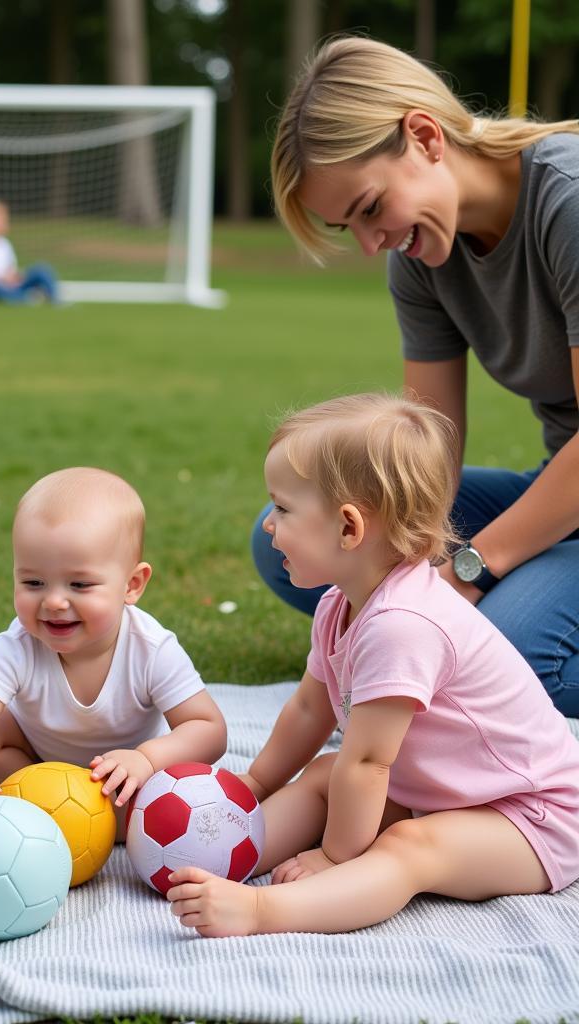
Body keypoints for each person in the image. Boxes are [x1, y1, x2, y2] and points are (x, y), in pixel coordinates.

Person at [167, 393, 579, 937]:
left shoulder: (402, 625)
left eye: (283, 508)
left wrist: (337, 859)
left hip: (530, 815)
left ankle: (262, 911)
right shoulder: (342, 601)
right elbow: (310, 707)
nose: (269, 525)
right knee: (323, 777)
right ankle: (214, 849)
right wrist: (255, 783)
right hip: (443, 794)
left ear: (349, 529)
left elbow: (367, 764)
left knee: (408, 848)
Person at [252, 35, 579, 717]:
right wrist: (406, 573)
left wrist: (470, 569)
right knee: (296, 529)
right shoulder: (421, 259)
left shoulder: (567, 200)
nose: (373, 245)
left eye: (370, 209)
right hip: (565, 493)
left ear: (425, 136)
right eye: (350, 228)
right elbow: (426, 454)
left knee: (503, 648)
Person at [0, 467, 227, 830]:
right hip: (32, 761)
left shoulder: (151, 649)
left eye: (80, 584)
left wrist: (148, 759)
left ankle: (75, 816)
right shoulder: (19, 645)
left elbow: (208, 727)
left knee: (172, 794)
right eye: (33, 582)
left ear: (132, 585)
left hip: (118, 777)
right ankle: (42, 801)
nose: (54, 601)